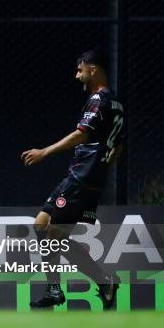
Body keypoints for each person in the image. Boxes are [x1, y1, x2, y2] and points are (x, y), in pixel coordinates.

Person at [21, 48, 125, 309]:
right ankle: (98, 283)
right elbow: (119, 145)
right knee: (49, 230)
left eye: (81, 70)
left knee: (46, 227)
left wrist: (45, 151)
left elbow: (81, 134)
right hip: (89, 176)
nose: (77, 75)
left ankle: (85, 283)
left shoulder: (98, 100)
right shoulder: (116, 104)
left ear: (93, 69)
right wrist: (103, 168)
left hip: (81, 177)